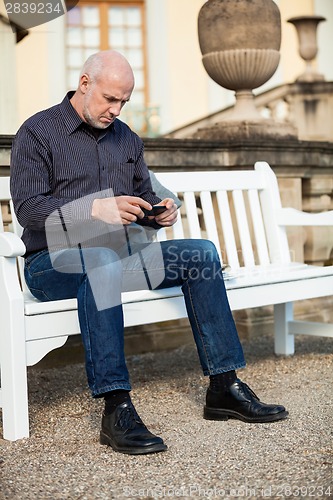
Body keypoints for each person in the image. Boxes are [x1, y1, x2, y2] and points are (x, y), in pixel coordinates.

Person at [10, 50, 288, 455]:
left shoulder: (127, 139)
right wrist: (93, 208)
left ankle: (224, 386)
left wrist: (159, 213)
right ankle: (116, 407)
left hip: (120, 259)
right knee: (102, 263)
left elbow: (142, 199)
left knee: (201, 253)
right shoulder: (37, 133)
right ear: (84, 84)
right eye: (109, 99)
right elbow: (29, 210)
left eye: (124, 101)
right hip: (52, 264)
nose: (116, 109)